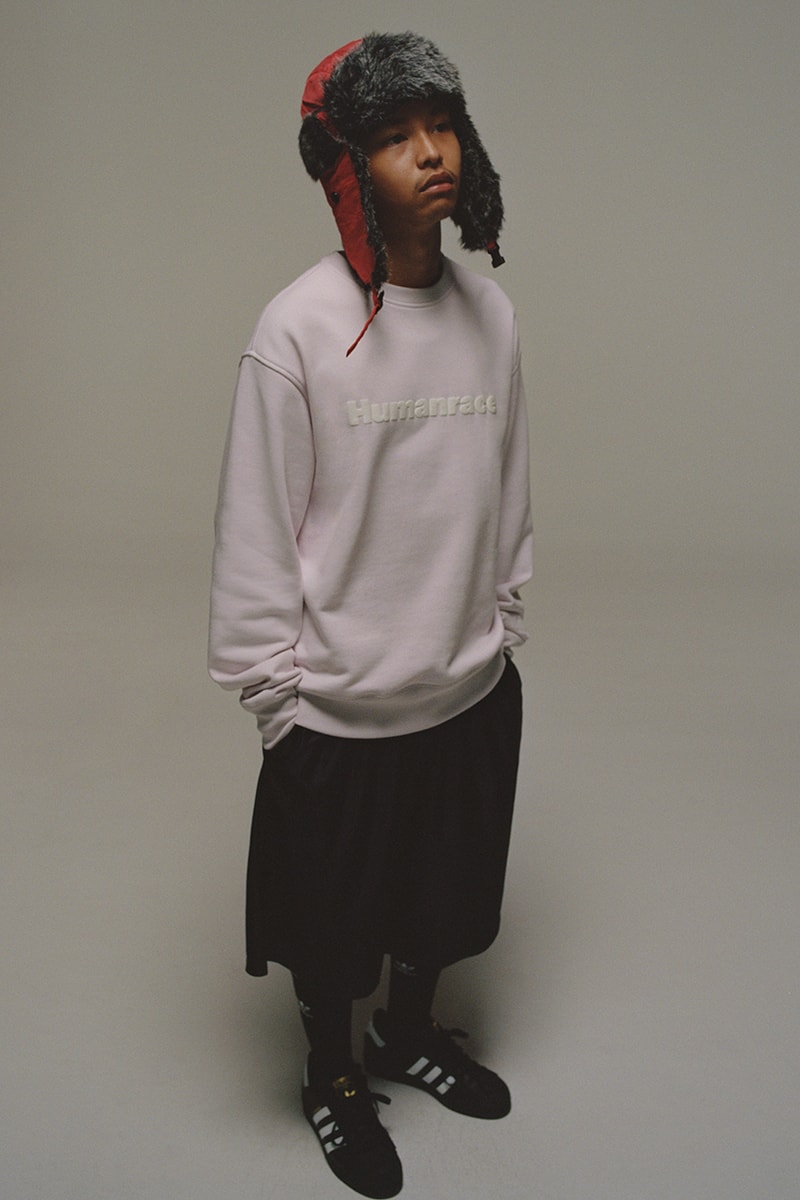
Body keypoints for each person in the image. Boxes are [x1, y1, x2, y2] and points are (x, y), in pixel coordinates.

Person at [208, 31, 533, 1199]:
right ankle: (334, 1073)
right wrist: (275, 697)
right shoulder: (297, 329)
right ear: (348, 166)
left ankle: (406, 1031)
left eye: (440, 125)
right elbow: (256, 524)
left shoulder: (490, 316)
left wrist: (497, 624)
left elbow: (505, 489)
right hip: (338, 706)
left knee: (439, 899)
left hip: (464, 682)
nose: (430, 152)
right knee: (332, 923)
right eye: (394, 136)